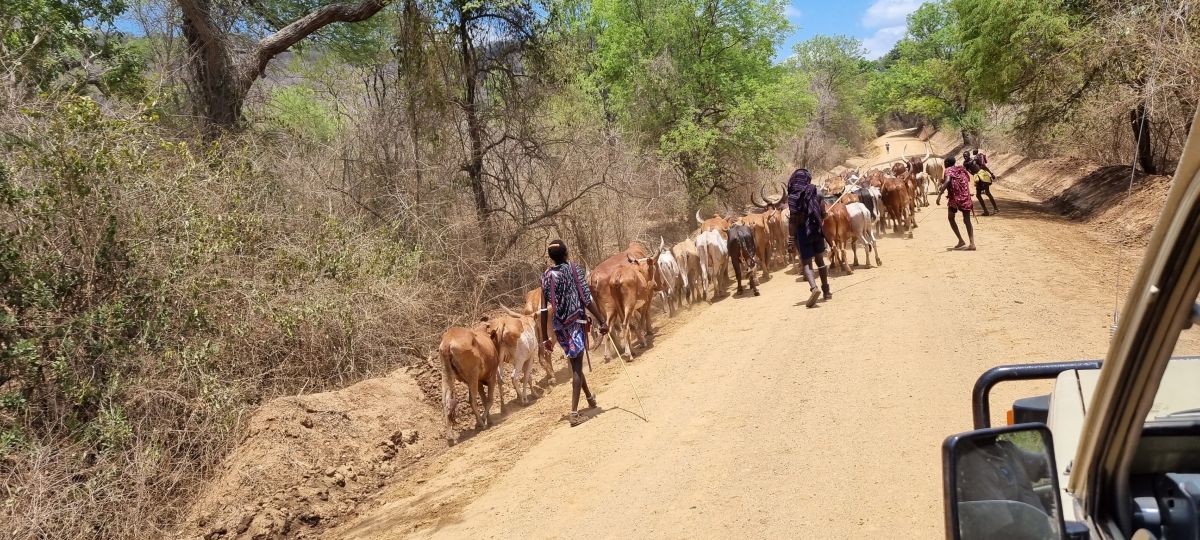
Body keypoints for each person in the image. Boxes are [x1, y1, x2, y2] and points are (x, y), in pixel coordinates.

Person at [540, 240, 609, 426]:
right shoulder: (574, 270)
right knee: (577, 367)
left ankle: (589, 397)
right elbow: (586, 300)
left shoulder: (546, 275)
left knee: (575, 361)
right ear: (566, 253)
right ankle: (574, 413)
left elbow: (543, 309)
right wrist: (602, 320)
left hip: (558, 328)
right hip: (575, 324)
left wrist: (545, 337)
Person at [787, 168, 831, 307]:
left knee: (806, 262)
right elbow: (824, 214)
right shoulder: (816, 192)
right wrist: (822, 215)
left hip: (802, 231)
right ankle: (826, 290)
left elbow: (793, 220)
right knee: (820, 259)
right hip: (816, 229)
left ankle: (814, 288)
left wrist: (791, 239)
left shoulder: (792, 197)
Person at [936, 156, 977, 251]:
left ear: (946, 163)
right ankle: (972, 243)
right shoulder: (961, 170)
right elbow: (962, 180)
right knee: (967, 220)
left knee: (951, 218)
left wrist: (940, 194)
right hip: (966, 197)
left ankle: (961, 240)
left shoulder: (948, 170)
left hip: (955, 199)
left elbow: (948, 180)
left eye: (945, 163)